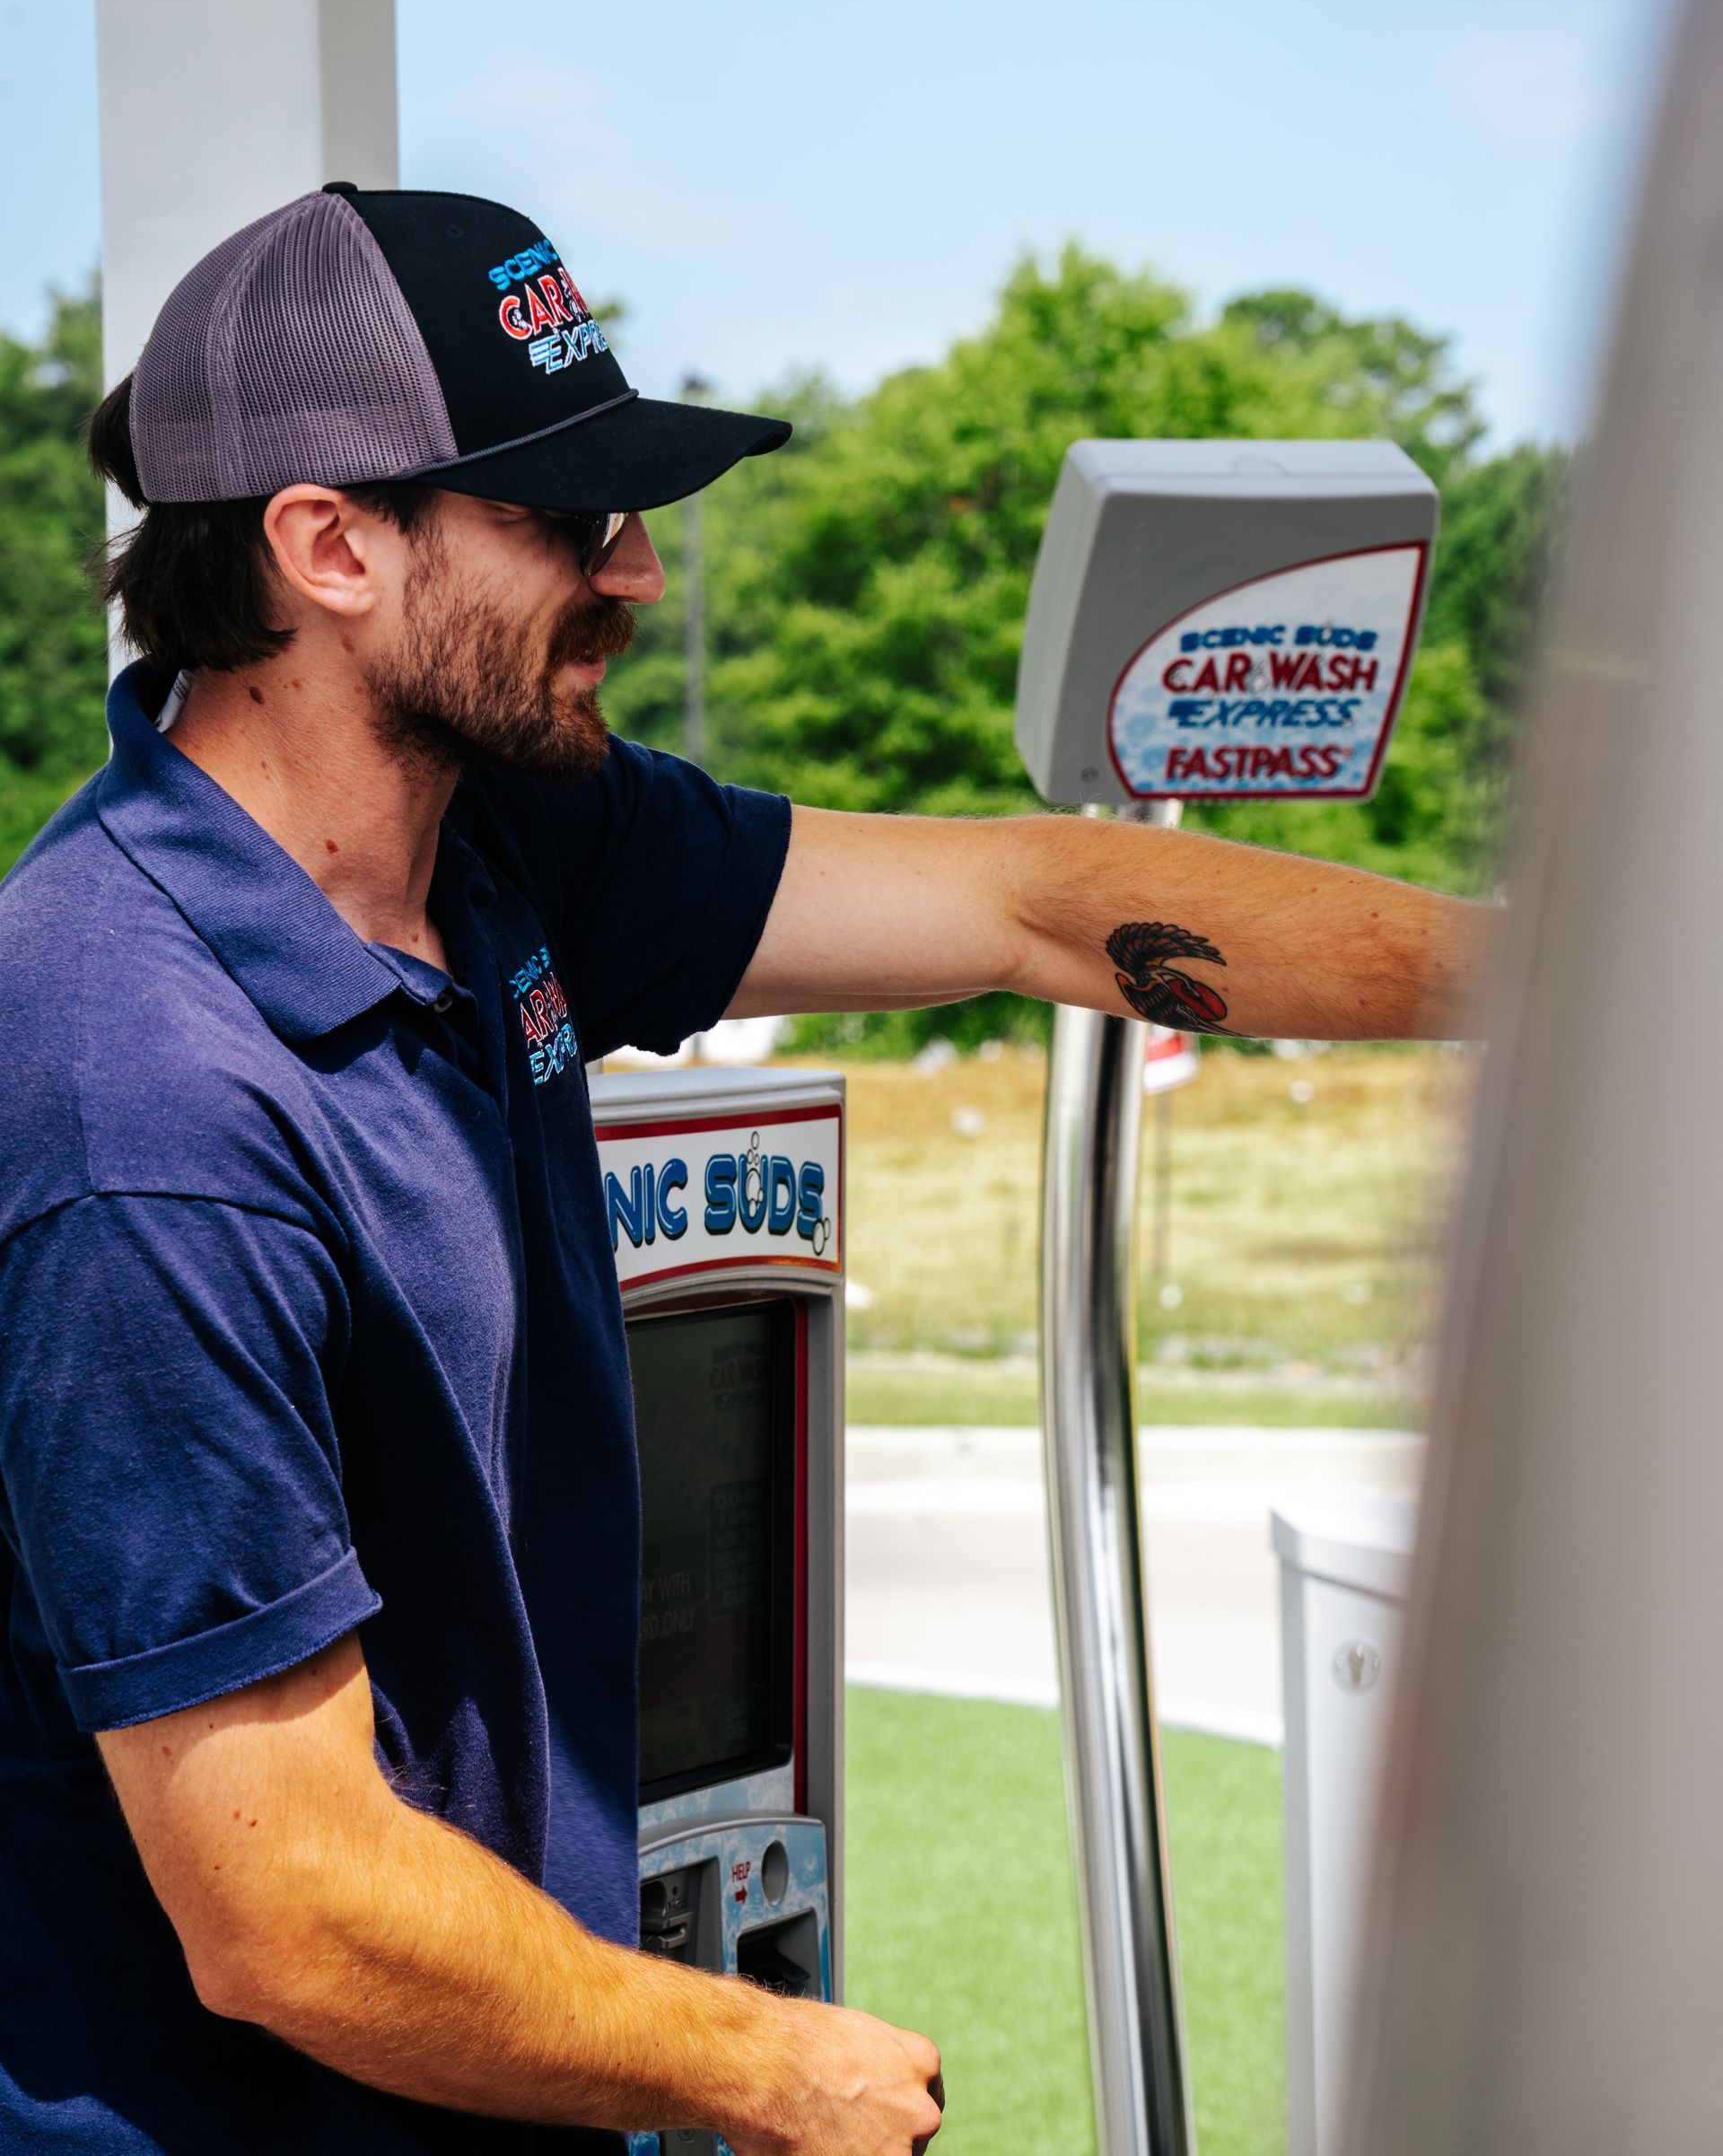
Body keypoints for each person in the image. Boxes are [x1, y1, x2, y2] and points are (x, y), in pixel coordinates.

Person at [0, 185, 1484, 2155]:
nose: (641, 578)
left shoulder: (504, 843)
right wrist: (764, 2064)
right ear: (327, 544)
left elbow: (1043, 901)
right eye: (564, 520)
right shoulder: (137, 1099)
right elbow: (287, 1907)